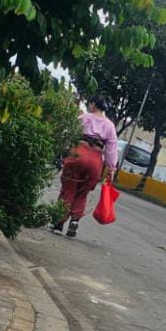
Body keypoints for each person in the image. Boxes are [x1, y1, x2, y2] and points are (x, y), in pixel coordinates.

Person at [54, 98, 118, 238]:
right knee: (82, 193)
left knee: (68, 189)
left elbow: (68, 133)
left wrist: (61, 152)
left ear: (93, 105)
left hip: (78, 153)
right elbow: (112, 149)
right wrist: (111, 169)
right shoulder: (110, 126)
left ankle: (59, 223)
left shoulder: (84, 118)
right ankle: (75, 221)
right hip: (95, 161)